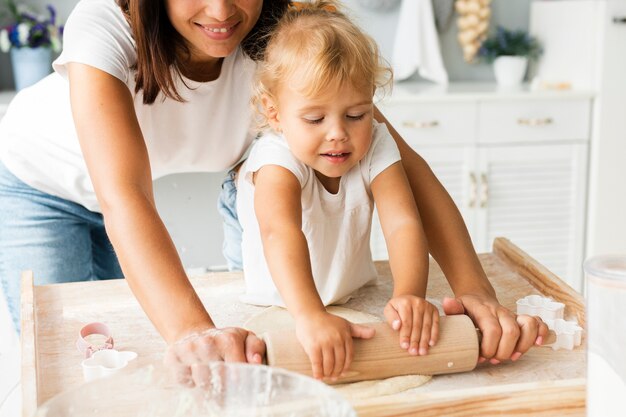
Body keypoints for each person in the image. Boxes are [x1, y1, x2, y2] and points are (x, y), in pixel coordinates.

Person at [0, 0, 546, 387]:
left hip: (141, 199)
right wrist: (194, 331)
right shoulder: (105, 23)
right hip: (41, 188)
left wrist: (474, 288)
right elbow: (125, 197)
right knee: (75, 367)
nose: (221, 12)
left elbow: (404, 166)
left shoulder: (284, 39)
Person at [234, 0, 439, 381]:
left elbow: (402, 223)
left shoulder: (375, 142)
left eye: (356, 114)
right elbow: (280, 231)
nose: (338, 133)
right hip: (278, 298)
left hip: (349, 291)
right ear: (275, 113)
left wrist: (410, 294)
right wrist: (311, 315)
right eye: (315, 118)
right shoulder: (275, 155)